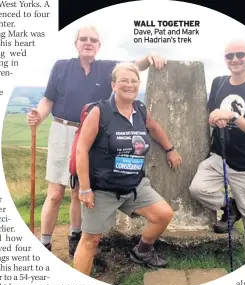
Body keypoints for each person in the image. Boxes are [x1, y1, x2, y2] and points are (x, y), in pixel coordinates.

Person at [26, 25, 167, 256]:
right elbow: (48, 100)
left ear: (99, 45)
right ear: (76, 44)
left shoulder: (106, 68)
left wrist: (150, 57)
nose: (88, 43)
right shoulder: (61, 67)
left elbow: (132, 68)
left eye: (93, 40)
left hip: (92, 135)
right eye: (84, 39)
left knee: (78, 190)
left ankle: (75, 235)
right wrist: (38, 116)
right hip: (62, 129)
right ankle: (45, 242)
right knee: (55, 193)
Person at [73, 62, 182, 274]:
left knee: (163, 214)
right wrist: (85, 188)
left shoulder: (140, 109)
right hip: (103, 188)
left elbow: (155, 128)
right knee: (90, 241)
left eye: (134, 81)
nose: (129, 85)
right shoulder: (99, 112)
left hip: (134, 186)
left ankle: (142, 251)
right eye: (124, 80)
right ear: (113, 84)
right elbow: (81, 150)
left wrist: (170, 149)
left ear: (139, 84)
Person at [189, 39, 245, 262]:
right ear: (225, 59)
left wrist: (232, 116)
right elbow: (210, 114)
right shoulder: (218, 83)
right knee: (198, 188)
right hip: (220, 155)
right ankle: (229, 205)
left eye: (239, 55)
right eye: (229, 56)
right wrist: (216, 119)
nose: (235, 60)